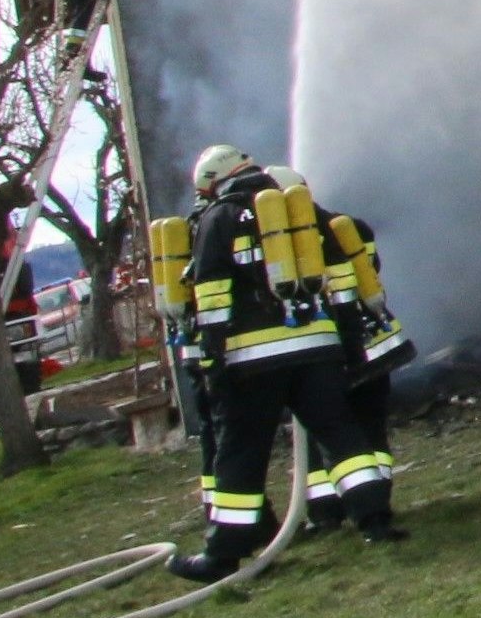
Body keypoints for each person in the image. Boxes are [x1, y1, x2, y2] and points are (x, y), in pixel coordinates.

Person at [169, 146, 398, 582]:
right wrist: (347, 343)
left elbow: (213, 295)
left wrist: (212, 360)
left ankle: (224, 555)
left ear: (214, 182)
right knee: (339, 431)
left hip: (252, 359)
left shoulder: (219, 217)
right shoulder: (302, 212)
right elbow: (342, 280)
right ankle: (375, 520)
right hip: (315, 350)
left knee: (240, 448)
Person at [266, 168, 412, 532]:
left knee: (324, 430)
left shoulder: (279, 247)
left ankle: (327, 512)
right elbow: (371, 272)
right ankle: (376, 501)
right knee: (369, 428)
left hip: (327, 355)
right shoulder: (351, 228)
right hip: (375, 347)